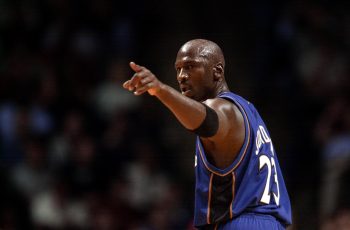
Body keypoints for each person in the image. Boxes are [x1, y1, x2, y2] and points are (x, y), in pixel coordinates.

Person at [123, 39, 292, 229]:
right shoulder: (248, 110)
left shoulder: (222, 107)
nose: (181, 76)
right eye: (178, 69)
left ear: (217, 71)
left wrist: (160, 90)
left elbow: (208, 122)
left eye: (190, 67)